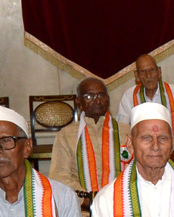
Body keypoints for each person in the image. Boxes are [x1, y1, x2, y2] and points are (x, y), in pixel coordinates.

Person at [50, 77, 131, 207]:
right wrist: (87, 199)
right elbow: (59, 176)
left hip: (122, 205)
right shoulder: (65, 135)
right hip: (83, 211)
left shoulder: (127, 132)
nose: (97, 100)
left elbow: (139, 170)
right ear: (78, 102)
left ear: (108, 100)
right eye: (89, 96)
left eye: (101, 95)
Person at [116, 53, 174, 168]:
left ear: (159, 72)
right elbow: (123, 129)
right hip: (142, 160)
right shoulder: (129, 96)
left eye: (151, 70)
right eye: (143, 72)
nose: (148, 75)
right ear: (136, 75)